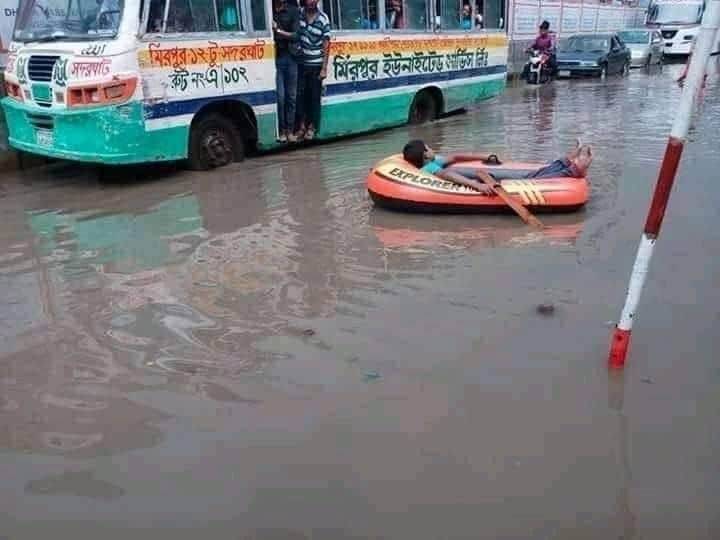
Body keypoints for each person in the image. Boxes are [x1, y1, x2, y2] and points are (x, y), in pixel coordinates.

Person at [401, 140, 592, 193]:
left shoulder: (433, 161)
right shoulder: (430, 169)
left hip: (481, 174)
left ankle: (568, 160)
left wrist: (485, 156)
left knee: (533, 173)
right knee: (531, 180)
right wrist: (479, 186)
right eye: (429, 147)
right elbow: (448, 174)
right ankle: (573, 169)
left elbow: (455, 157)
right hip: (479, 181)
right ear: (426, 154)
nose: (432, 148)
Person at [294, 0, 331, 141]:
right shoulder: (300, 14)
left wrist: (324, 68)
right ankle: (302, 127)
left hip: (316, 65)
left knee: (314, 98)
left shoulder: (323, 18)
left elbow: (326, 45)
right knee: (301, 97)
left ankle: (312, 127)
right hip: (302, 63)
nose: (310, 1)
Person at [272, 0, 300, 143]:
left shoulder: (293, 11)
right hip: (274, 58)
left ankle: (289, 131)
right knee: (280, 98)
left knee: (291, 97)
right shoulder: (268, 10)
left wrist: (278, 31)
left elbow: (296, 35)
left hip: (291, 58)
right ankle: (282, 131)